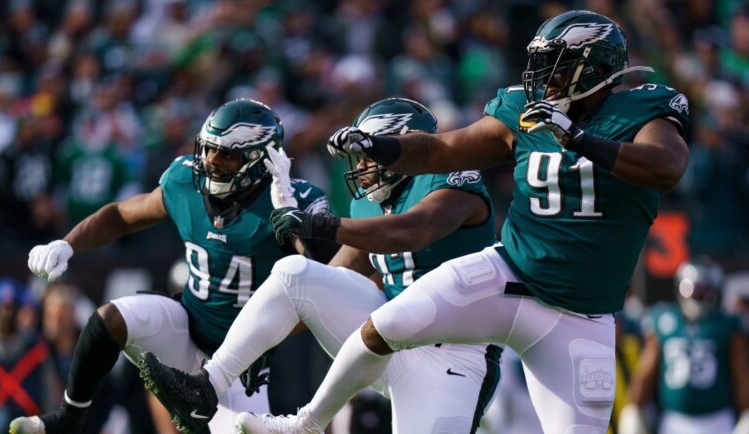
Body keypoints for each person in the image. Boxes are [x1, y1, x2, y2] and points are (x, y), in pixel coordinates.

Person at [237, 10, 691, 434]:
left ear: (595, 68)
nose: (543, 77)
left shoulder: (643, 110)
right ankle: (306, 423)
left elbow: (665, 167)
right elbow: (442, 149)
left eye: (557, 65)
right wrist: (380, 148)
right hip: (510, 272)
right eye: (542, 63)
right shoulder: (520, 111)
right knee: (384, 326)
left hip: (579, 314)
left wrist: (577, 138)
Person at [137, 97, 503, 434]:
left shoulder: (453, 176)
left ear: (406, 145)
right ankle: (207, 387)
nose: (361, 168)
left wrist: (320, 224)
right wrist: (259, 343)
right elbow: (330, 277)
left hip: (454, 355)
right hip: (388, 342)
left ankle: (305, 424)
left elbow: (411, 231)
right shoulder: (369, 203)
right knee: (295, 274)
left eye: (369, 155)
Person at [9, 99, 332, 434]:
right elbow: (122, 215)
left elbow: (315, 283)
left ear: (260, 159)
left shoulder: (295, 200)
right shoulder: (185, 182)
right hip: (185, 325)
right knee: (110, 319)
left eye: (226, 154)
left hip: (240, 362)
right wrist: (68, 243)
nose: (212, 162)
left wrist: (290, 218)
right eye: (209, 150)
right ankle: (69, 418)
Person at [620, 258, 749, 434]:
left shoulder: (728, 325)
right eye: (691, 290)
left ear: (716, 291)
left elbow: (741, 375)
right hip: (673, 421)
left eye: (703, 292)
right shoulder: (665, 321)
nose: (696, 296)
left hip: (717, 419)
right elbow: (646, 372)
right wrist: (635, 406)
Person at [0, 278, 58, 434]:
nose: (7, 314)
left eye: (12, 308)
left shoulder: (36, 349)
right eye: (2, 307)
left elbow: (49, 396)